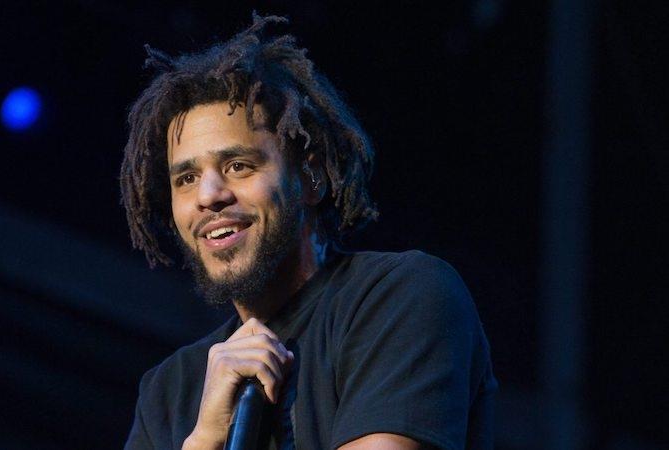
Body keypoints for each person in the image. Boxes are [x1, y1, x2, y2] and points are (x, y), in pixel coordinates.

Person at [120, 13, 497, 450]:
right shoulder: (169, 391)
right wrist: (204, 439)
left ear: (311, 177)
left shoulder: (403, 296)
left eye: (238, 166)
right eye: (186, 178)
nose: (209, 195)